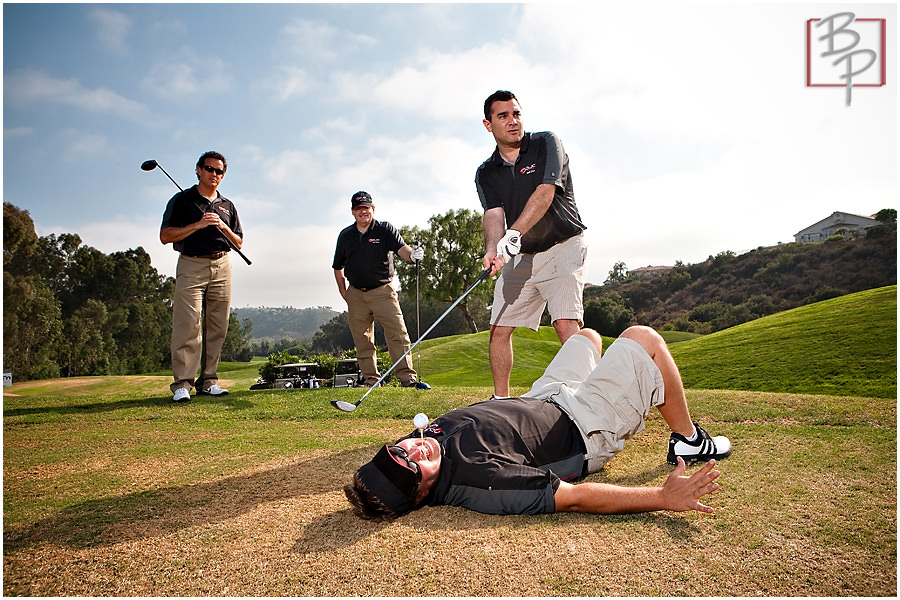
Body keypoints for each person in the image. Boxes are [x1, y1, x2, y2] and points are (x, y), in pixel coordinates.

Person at [344, 325, 732, 520]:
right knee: (643, 338)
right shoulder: (482, 480)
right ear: (421, 495)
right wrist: (663, 498)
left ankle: (611, 379)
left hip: (544, 395)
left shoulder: (420, 444)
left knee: (587, 336)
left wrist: (402, 456)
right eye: (411, 463)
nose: (414, 447)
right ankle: (689, 440)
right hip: (585, 424)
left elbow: (406, 455)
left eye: (398, 448)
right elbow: (575, 497)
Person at [476, 90, 589, 399]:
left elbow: (545, 191)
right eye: (503, 116)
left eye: (516, 114)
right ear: (489, 125)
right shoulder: (486, 172)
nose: (513, 121)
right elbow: (493, 213)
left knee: (566, 323)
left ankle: (588, 400)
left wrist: (513, 233)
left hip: (562, 244)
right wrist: (492, 249)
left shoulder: (545, 143)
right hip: (522, 255)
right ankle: (501, 401)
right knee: (499, 329)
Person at [160, 151, 243, 403]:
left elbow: (239, 241)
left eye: (219, 171)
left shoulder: (227, 206)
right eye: (209, 169)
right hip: (191, 264)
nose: (214, 175)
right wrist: (198, 224)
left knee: (218, 325)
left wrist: (222, 226)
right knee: (189, 324)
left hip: (222, 264)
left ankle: (208, 381)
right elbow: (165, 236)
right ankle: (183, 383)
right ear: (198, 170)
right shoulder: (182, 200)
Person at [332, 191, 425, 388]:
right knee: (363, 340)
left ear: (373, 209)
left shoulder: (384, 229)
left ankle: (407, 379)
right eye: (358, 209)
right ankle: (371, 379)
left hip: (383, 291)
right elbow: (337, 267)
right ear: (353, 212)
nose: (363, 212)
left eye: (366, 208)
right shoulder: (346, 236)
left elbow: (403, 250)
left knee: (397, 335)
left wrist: (413, 256)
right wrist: (345, 294)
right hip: (356, 293)